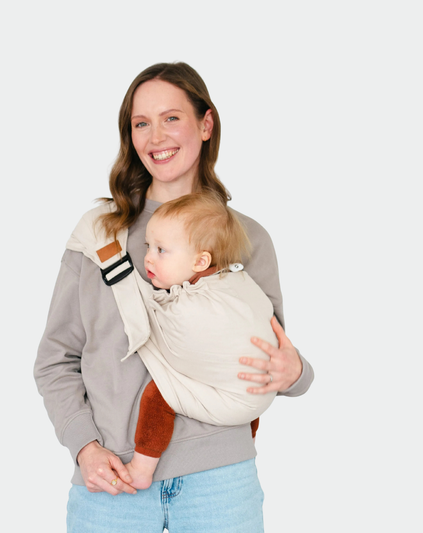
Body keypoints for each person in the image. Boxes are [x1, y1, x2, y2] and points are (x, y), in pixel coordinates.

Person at [35, 61, 314, 533]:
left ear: (206, 124)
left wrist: (299, 373)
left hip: (220, 482)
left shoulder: (247, 237)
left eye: (171, 118)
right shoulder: (98, 236)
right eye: (141, 123)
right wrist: (84, 447)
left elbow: (266, 358)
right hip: (111, 481)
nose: (156, 136)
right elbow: (55, 360)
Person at [125, 191, 280, 490]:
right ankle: (249, 439)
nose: (148, 257)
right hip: (259, 400)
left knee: (159, 395)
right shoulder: (236, 279)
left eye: (161, 250)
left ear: (200, 261)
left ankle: (142, 467)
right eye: (148, 246)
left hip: (241, 401)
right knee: (232, 379)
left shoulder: (197, 306)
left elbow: (162, 329)